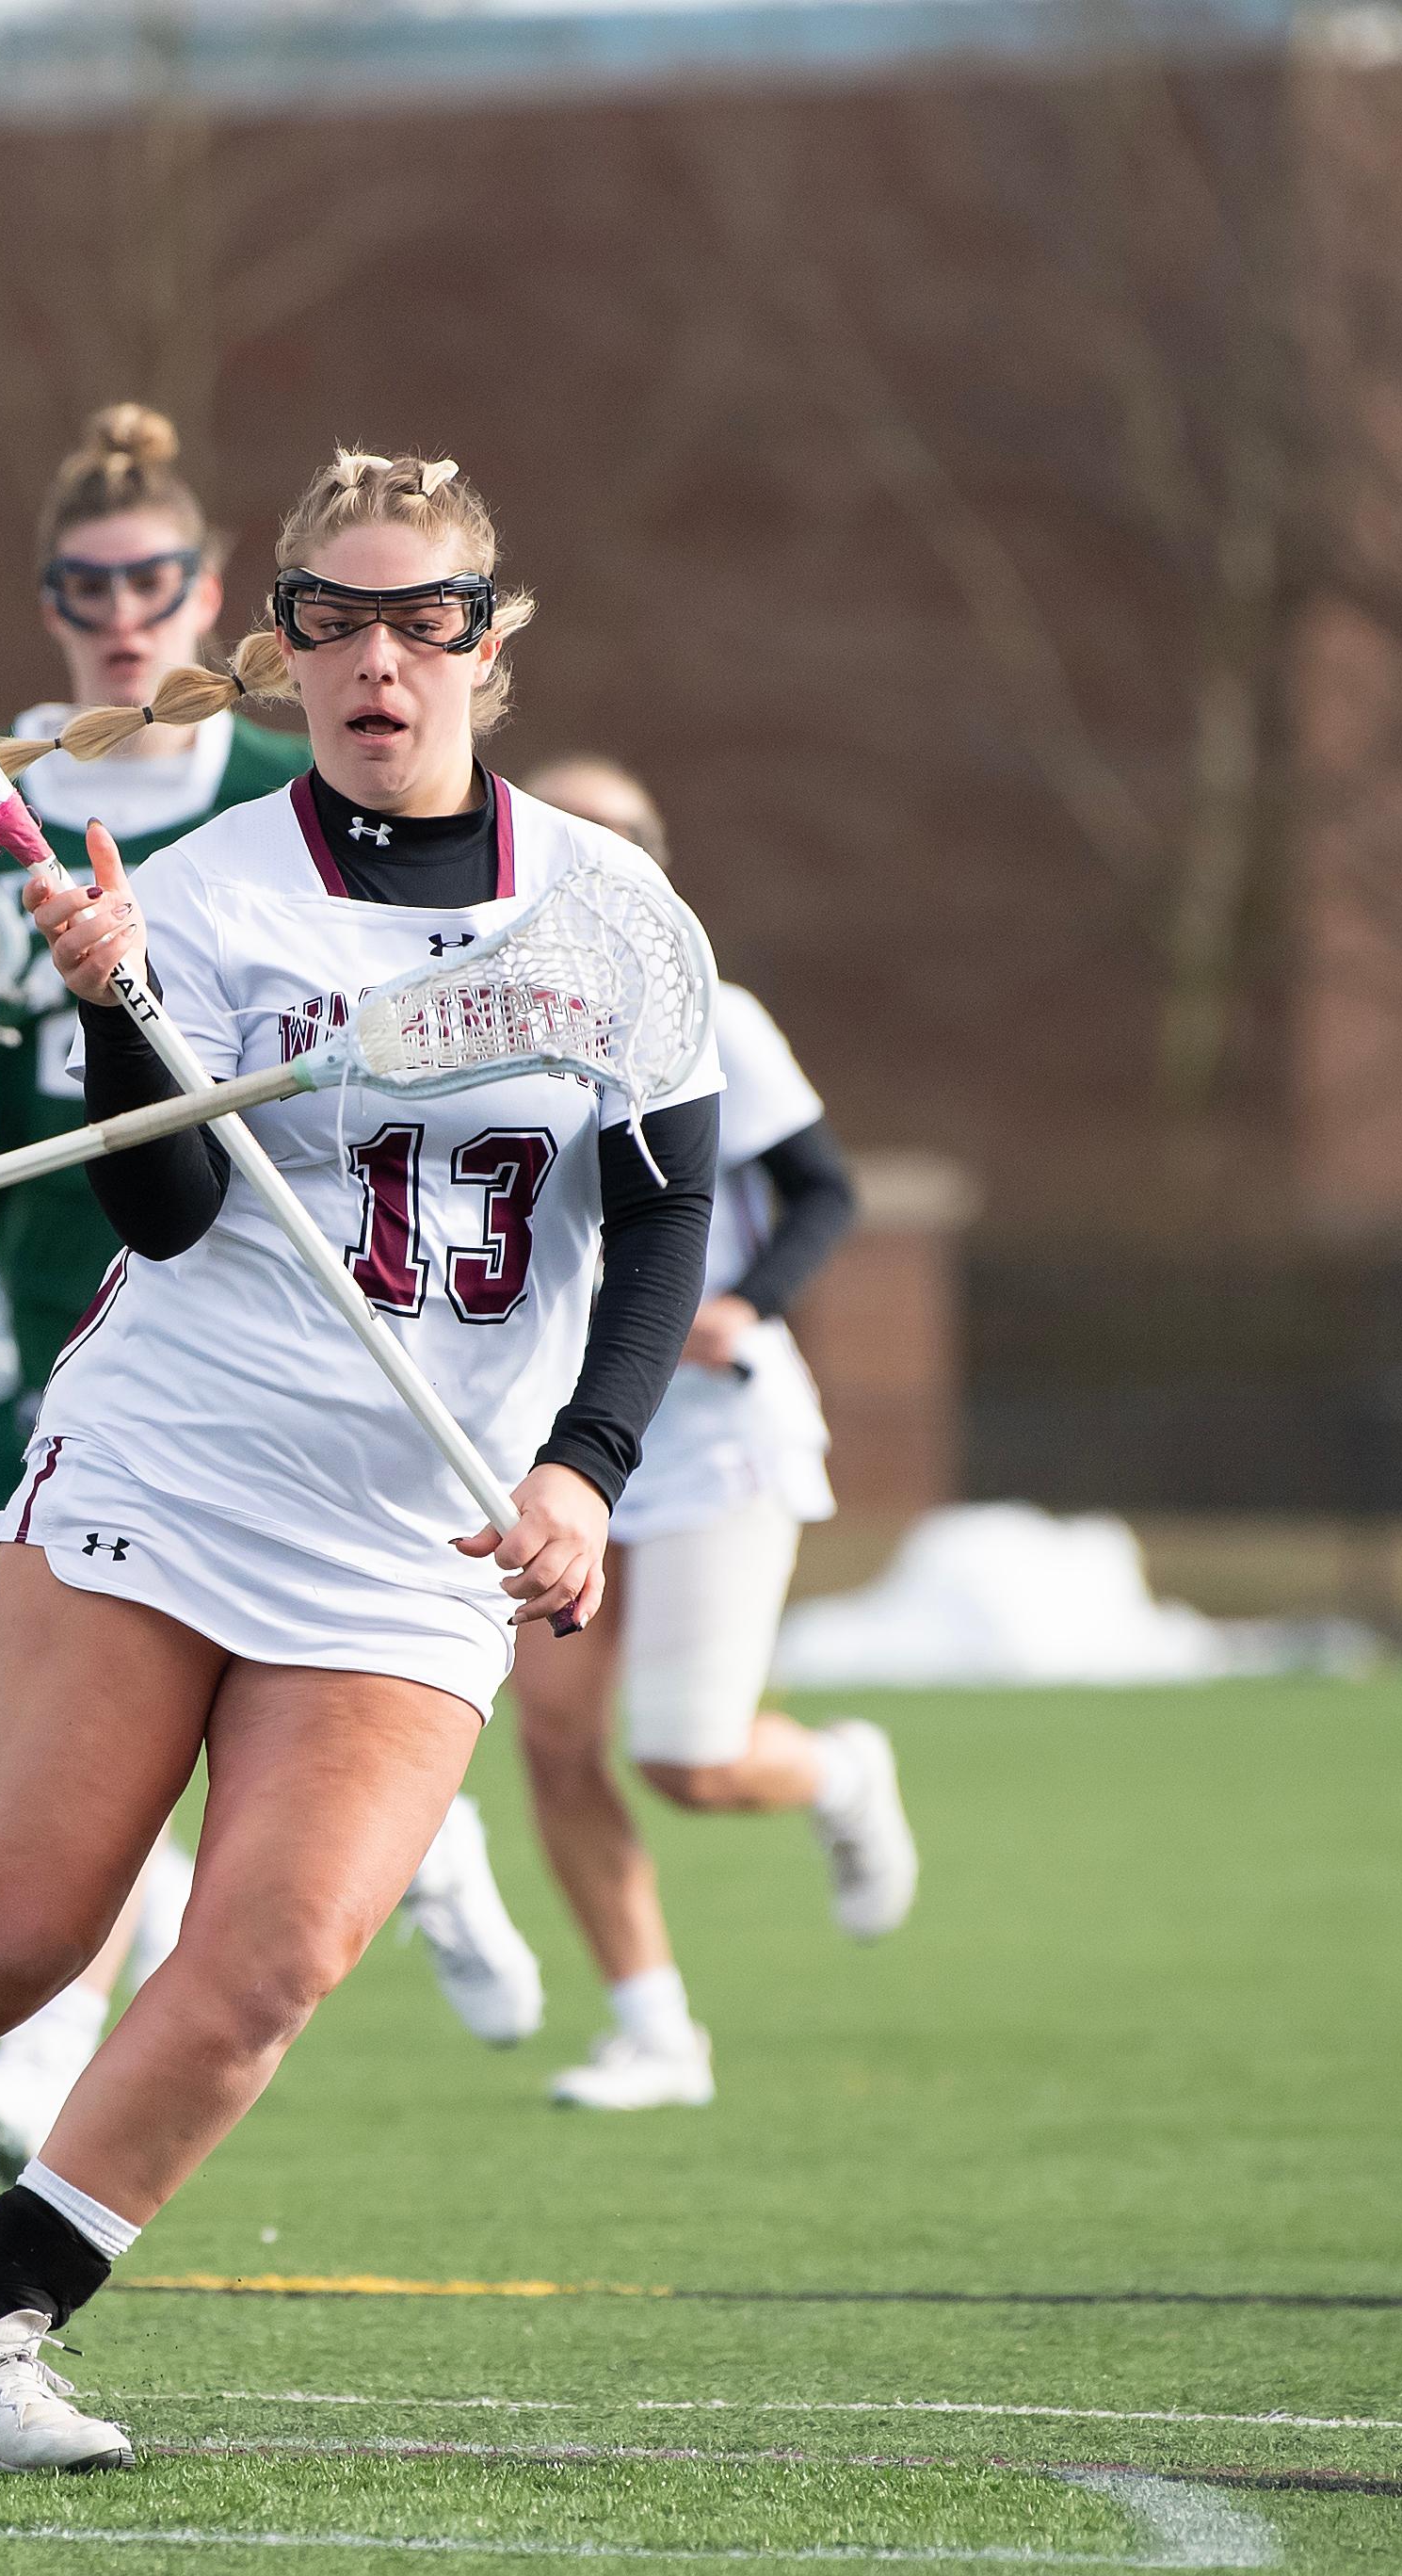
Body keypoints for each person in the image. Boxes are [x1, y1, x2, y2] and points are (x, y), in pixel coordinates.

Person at [0, 448, 725, 2471]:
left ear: (489, 644)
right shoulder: (212, 891)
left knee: (268, 1962)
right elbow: (160, 1218)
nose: (376, 659)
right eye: (329, 620)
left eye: (423, 618)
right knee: (17, 1933)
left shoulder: (616, 915)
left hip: (419, 1525)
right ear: (285, 648)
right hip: (174, 1463)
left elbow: (669, 1215)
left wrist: (591, 1464)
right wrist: (115, 1014)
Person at [0, 404, 544, 2188]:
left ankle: (416, 1860)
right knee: (20, 1757)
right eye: (85, 583)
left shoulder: (281, 799)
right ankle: (54, 2015)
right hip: (49, 1273)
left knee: (269, 1712)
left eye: (152, 576)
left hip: (280, 1312)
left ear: (219, 594)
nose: (119, 608)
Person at [501, 759, 920, 2115]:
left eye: (612, 842)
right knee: (556, 1740)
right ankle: (655, 2031)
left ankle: (842, 1769)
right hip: (562, 1436)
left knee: (688, 1757)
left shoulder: (712, 1013)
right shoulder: (485, 1012)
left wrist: (745, 1304)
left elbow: (822, 1188)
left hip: (712, 1437)